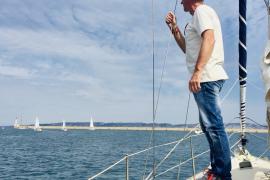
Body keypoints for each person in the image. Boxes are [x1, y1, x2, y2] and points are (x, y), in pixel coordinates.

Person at [165, 0, 231, 179]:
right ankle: (217, 169)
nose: (179, 2)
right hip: (206, 77)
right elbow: (188, 49)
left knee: (213, 126)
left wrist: (198, 72)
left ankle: (222, 175)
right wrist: (174, 28)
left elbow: (209, 38)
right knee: (208, 126)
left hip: (207, 77)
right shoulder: (198, 17)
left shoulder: (201, 11)